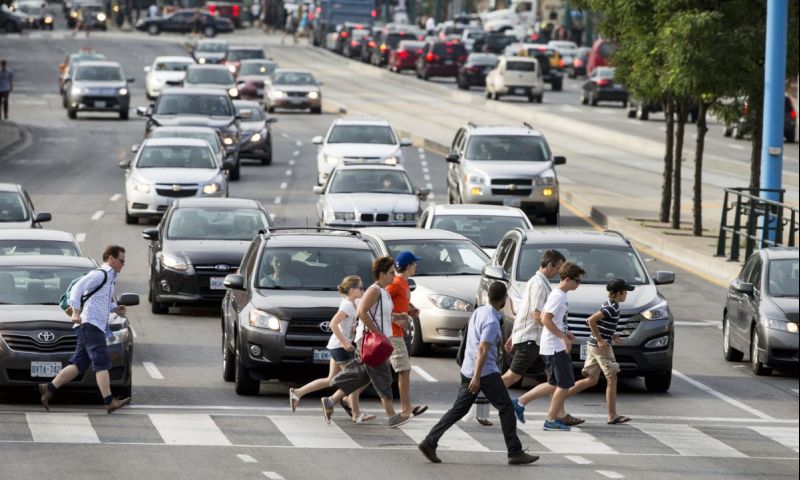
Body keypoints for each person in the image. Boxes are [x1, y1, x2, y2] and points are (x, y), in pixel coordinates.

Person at [417, 282, 539, 465]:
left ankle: (430, 441)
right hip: (484, 372)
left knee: (459, 409)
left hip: (469, 367)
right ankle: (514, 451)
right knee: (506, 408)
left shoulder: (480, 311)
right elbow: (482, 348)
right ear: (504, 299)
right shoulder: (491, 320)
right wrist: (477, 376)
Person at [38, 245, 131, 414]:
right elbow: (77, 288)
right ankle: (109, 402)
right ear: (111, 258)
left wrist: (114, 308)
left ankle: (48, 389)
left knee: (79, 363)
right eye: (121, 261)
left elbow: (98, 301)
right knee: (102, 361)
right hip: (90, 325)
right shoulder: (99, 274)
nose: (122, 264)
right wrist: (75, 312)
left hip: (92, 325)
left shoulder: (110, 278)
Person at [322, 256, 412, 428]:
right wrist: (377, 333)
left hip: (378, 342)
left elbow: (378, 314)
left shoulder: (383, 291)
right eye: (391, 273)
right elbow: (362, 311)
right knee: (383, 377)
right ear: (382, 274)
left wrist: (398, 316)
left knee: (361, 376)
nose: (394, 276)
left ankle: (331, 400)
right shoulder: (374, 290)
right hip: (373, 343)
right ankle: (392, 416)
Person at [503, 250, 584, 427]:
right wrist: (562, 336)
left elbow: (528, 312)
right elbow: (538, 315)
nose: (559, 272)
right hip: (535, 339)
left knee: (556, 382)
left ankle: (555, 415)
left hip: (541, 340)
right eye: (558, 268)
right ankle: (484, 396)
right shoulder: (541, 285)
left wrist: (563, 332)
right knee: (513, 376)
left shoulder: (544, 284)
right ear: (550, 265)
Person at [289, 275, 375, 424]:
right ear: (352, 290)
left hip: (335, 346)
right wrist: (344, 343)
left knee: (330, 380)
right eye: (360, 288)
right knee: (354, 379)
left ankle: (297, 392)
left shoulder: (351, 303)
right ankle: (356, 414)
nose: (363, 290)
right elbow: (333, 324)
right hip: (340, 347)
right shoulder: (347, 305)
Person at [565, 278, 633, 424]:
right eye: (625, 291)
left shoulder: (609, 304)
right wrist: (601, 339)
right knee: (612, 378)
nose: (627, 294)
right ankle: (612, 415)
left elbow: (601, 322)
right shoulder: (611, 307)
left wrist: (611, 334)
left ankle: (560, 396)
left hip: (593, 344)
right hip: (600, 346)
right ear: (618, 293)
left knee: (591, 380)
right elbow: (591, 320)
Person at [385, 251, 428, 419]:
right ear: (408, 266)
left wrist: (409, 310)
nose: (416, 266)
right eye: (415, 264)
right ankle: (406, 408)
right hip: (393, 334)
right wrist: (395, 319)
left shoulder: (403, 283)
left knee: (372, 373)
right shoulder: (395, 283)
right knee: (404, 370)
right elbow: (380, 302)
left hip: (395, 333)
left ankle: (341, 398)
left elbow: (396, 303)